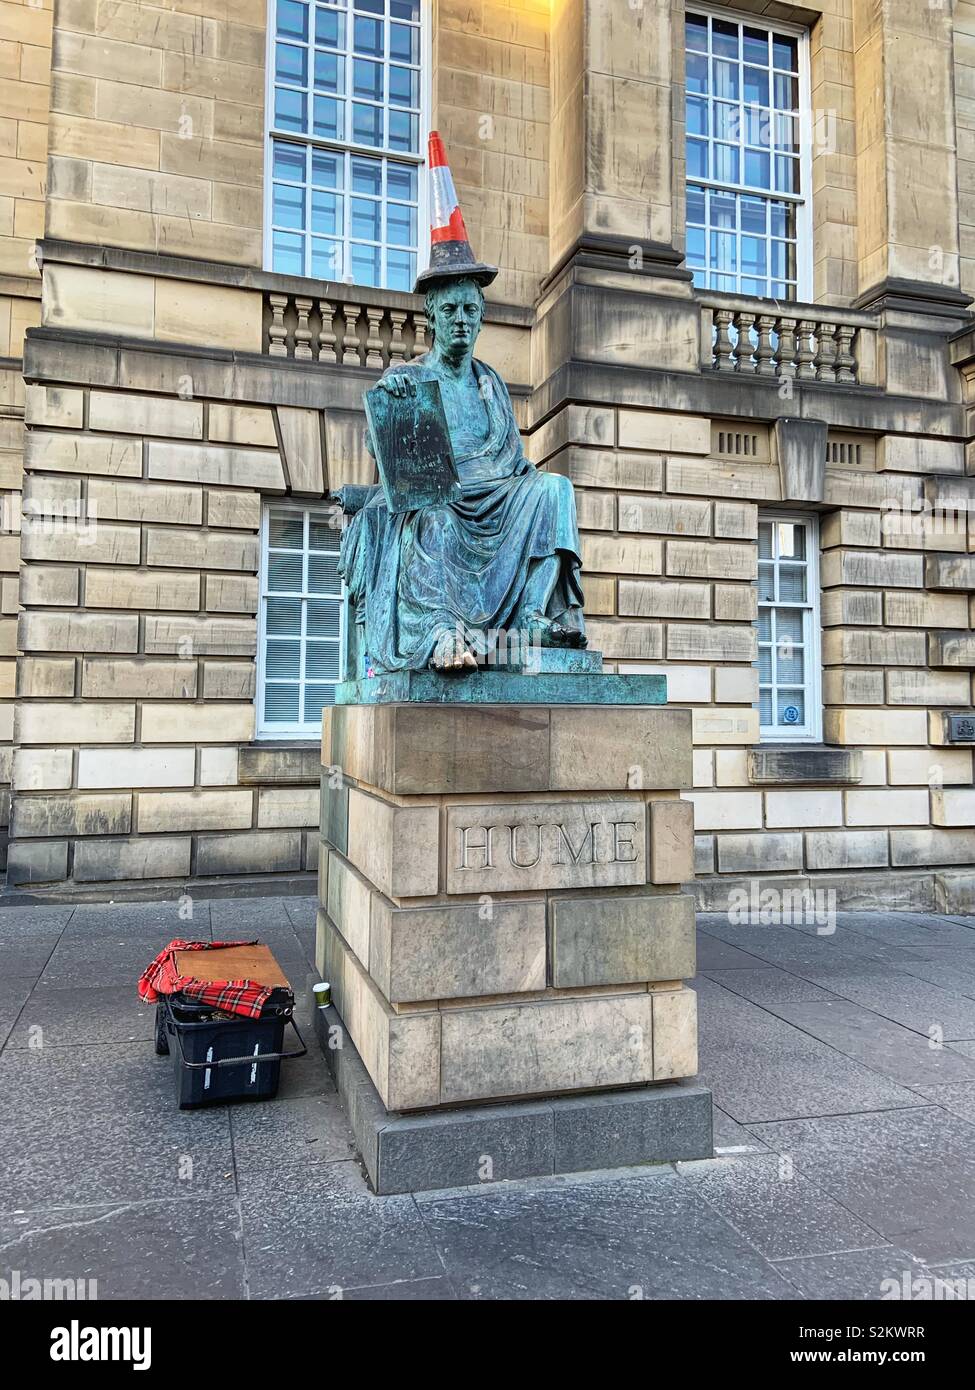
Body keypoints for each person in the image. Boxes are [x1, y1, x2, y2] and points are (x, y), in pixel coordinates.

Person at [335, 133, 586, 675]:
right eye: (450, 310)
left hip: (497, 496)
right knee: (435, 520)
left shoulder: (491, 382)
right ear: (431, 317)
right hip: (446, 502)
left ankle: (533, 617)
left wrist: (527, 485)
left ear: (480, 316)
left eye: (470, 310)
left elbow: (519, 466)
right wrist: (391, 399)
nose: (461, 320)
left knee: (554, 489)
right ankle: (442, 632)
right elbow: (384, 452)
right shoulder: (408, 379)